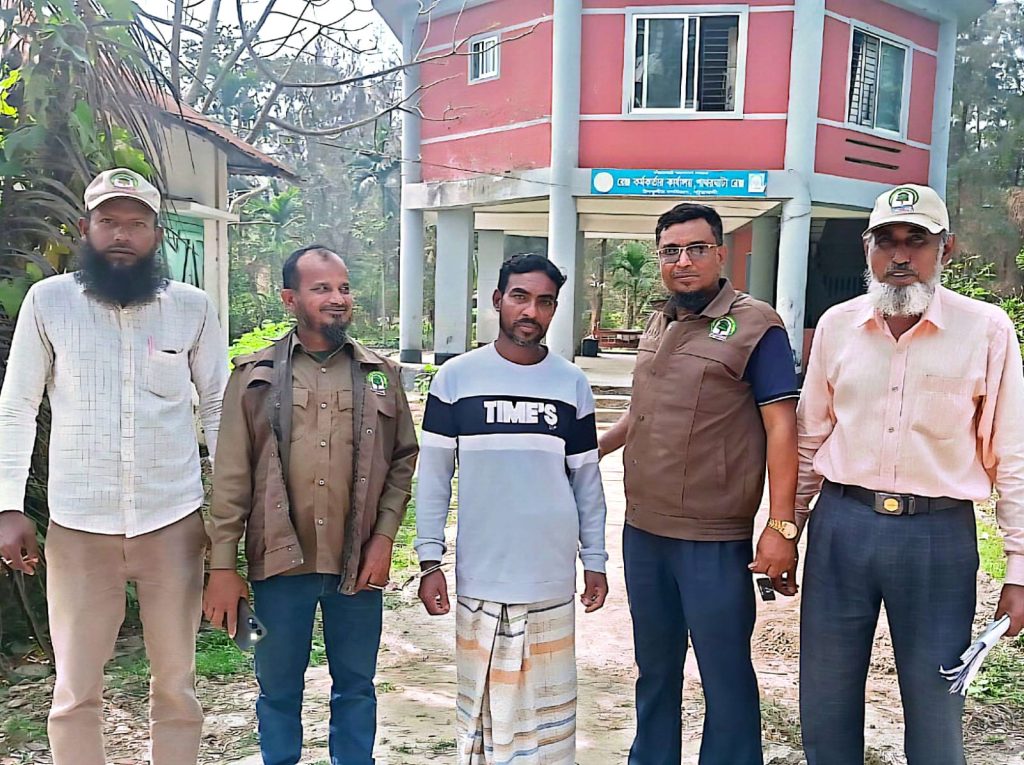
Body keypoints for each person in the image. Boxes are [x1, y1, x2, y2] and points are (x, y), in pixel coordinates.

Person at [0, 168, 228, 765]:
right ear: (85, 228)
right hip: (80, 527)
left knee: (176, 684)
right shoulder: (48, 303)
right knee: (75, 689)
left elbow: (218, 408)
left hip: (172, 523)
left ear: (158, 234)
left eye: (136, 223)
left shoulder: (191, 308)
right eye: (108, 221)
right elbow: (17, 405)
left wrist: (232, 512)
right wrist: (8, 506)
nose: (122, 234)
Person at [796, 183, 1024, 765]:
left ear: (945, 249)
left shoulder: (986, 330)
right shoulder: (837, 326)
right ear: (867, 249)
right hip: (842, 526)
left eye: (916, 241)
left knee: (936, 702)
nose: (900, 256)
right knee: (825, 697)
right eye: (886, 242)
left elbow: (1013, 455)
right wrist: (786, 528)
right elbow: (810, 437)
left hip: (937, 537)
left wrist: (1019, 568)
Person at [599, 203, 800, 765]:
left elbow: (782, 428)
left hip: (712, 537)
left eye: (695, 249)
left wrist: (781, 526)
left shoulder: (756, 326)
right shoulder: (660, 320)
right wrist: (591, 448)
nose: (682, 261)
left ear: (720, 254)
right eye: (670, 251)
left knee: (724, 673)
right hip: (643, 531)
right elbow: (642, 411)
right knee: (655, 669)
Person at [204, 244, 418, 765]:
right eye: (321, 288)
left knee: (357, 687)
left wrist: (384, 538)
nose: (337, 298)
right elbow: (230, 478)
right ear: (289, 299)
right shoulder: (253, 376)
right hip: (279, 564)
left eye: (343, 288)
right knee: (277, 689)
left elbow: (402, 460)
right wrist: (222, 567)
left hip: (357, 562)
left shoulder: (379, 374)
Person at [415, 253, 609, 765]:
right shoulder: (456, 379)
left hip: (550, 579)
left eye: (544, 302)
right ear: (498, 300)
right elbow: (433, 478)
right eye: (520, 297)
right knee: (483, 717)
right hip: (482, 576)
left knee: (548, 722)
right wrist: (429, 561)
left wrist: (594, 560)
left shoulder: (571, 384)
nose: (531, 311)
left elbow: (587, 481)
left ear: (554, 309)